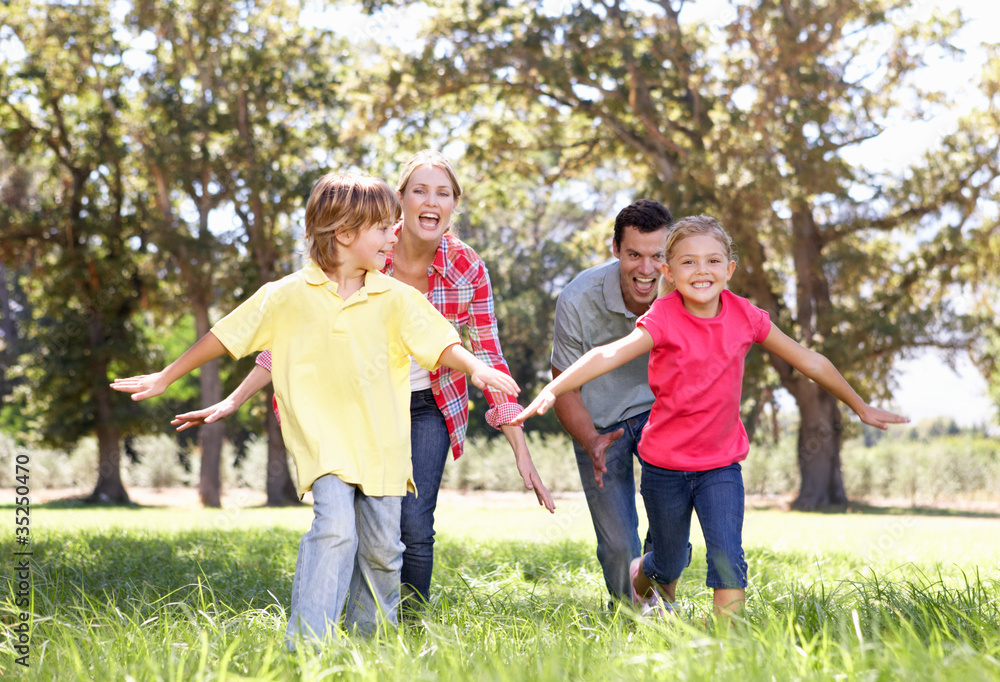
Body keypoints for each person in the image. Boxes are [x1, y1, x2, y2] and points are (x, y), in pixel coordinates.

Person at [111, 173, 522, 643]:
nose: (395, 233)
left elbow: (441, 341)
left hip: (385, 449)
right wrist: (167, 375)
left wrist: (476, 369)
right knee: (335, 530)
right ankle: (309, 645)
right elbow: (224, 337)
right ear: (346, 234)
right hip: (324, 443)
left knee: (385, 550)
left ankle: (369, 643)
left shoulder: (396, 297)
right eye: (384, 226)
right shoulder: (285, 295)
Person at [515, 215, 908, 616]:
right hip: (664, 467)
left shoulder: (746, 316)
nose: (701, 270)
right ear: (669, 271)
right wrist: (553, 388)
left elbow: (809, 361)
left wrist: (859, 405)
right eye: (688, 262)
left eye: (713, 261)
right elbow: (608, 354)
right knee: (667, 563)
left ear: (729, 269)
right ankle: (642, 572)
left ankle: (726, 657)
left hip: (721, 465)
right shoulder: (663, 316)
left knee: (728, 561)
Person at [549, 198, 672, 601]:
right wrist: (590, 438)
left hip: (663, 418)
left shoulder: (685, 290)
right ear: (615, 248)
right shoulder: (577, 298)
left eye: (658, 256)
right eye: (634, 254)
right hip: (599, 422)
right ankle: (633, 617)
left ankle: (660, 608)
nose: (646, 268)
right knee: (619, 545)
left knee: (670, 531)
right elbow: (564, 384)